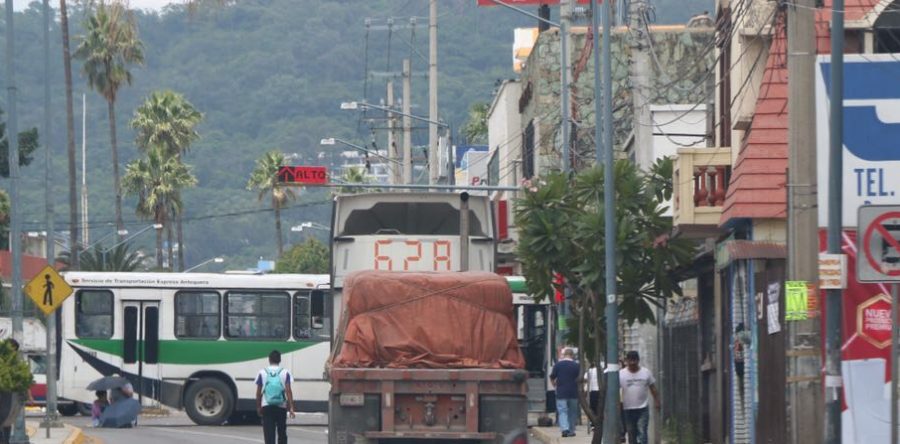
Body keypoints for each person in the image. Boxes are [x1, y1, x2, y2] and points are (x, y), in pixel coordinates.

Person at [619, 351, 660, 444]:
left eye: (634, 360)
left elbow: (652, 388)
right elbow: (616, 391)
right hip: (627, 409)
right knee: (631, 433)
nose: (633, 363)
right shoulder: (621, 374)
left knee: (642, 432)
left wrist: (657, 400)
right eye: (630, 361)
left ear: (638, 360)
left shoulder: (645, 372)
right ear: (627, 361)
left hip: (642, 408)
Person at [256, 350, 295, 444]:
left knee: (269, 434)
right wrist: (291, 407)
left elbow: (258, 392)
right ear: (280, 360)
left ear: (269, 360)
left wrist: (258, 406)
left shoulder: (262, 372)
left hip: (267, 405)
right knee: (282, 432)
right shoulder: (285, 372)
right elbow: (288, 390)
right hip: (281, 406)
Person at [549, 347, 580, 438]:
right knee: (572, 412)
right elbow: (579, 378)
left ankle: (564, 429)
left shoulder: (558, 365)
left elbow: (552, 377)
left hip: (561, 391)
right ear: (572, 356)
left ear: (564, 355)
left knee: (562, 411)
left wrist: (554, 385)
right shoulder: (576, 365)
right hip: (573, 392)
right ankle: (571, 430)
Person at [584, 364, 600, 434]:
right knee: (598, 408)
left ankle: (593, 424)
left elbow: (585, 379)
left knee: (593, 408)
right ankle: (596, 423)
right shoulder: (601, 370)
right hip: (599, 390)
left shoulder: (590, 370)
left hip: (593, 391)